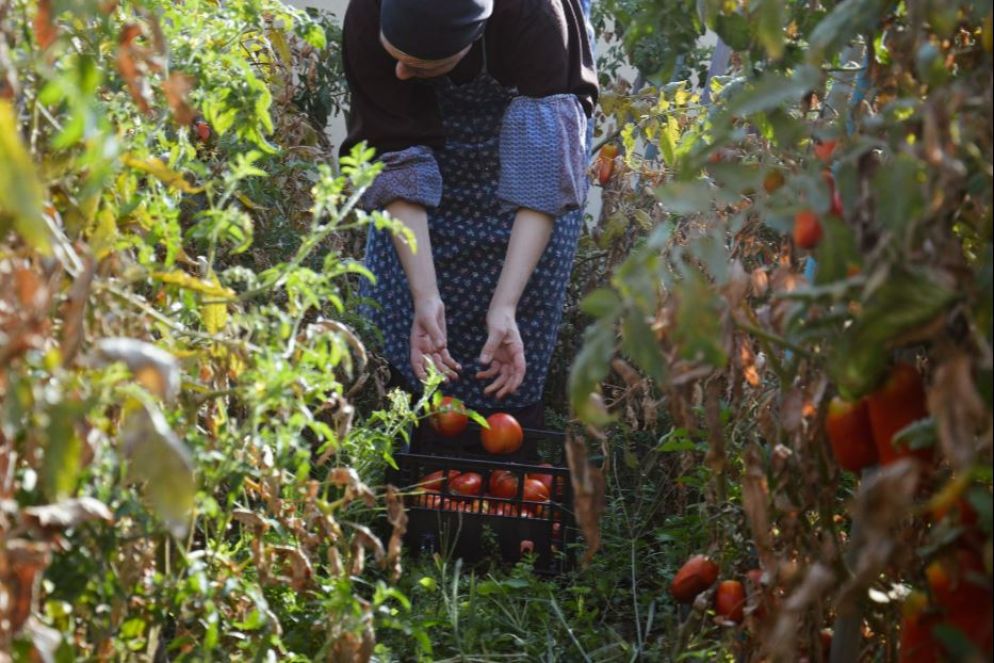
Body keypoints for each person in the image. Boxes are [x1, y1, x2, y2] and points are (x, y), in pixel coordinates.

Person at [342, 0, 597, 429]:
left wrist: (506, 305)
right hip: (424, 167)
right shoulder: (368, 11)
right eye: (396, 58)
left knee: (523, 309)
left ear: (474, 37)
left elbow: (542, 181)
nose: (401, 75)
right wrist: (425, 296)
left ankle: (509, 449)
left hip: (532, 157)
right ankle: (404, 450)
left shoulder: (537, 16)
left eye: (419, 66)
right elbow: (394, 150)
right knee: (402, 299)